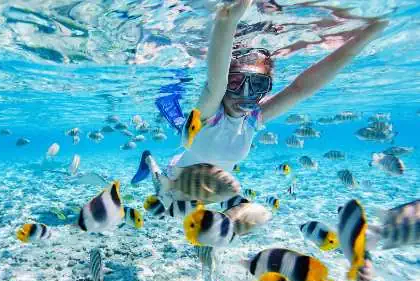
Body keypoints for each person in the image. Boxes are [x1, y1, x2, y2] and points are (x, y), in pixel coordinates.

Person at [132, 0, 387, 194]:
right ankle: (148, 159)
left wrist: (363, 38)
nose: (244, 94)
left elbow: (302, 88)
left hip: (210, 190)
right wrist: (227, 21)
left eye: (257, 85)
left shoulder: (254, 119)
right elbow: (215, 84)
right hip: (177, 178)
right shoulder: (212, 110)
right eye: (235, 82)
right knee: (161, 185)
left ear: (267, 87)